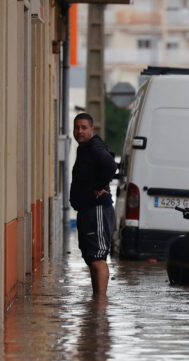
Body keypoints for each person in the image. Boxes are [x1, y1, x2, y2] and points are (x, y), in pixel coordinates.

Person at [70, 112, 117, 296]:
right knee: (92, 257)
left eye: (83, 127)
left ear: (92, 129)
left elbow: (111, 166)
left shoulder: (94, 147)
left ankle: (101, 302)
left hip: (97, 210)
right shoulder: (85, 148)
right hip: (87, 210)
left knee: (98, 258)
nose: (79, 131)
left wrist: (99, 187)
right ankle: (96, 302)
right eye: (77, 127)